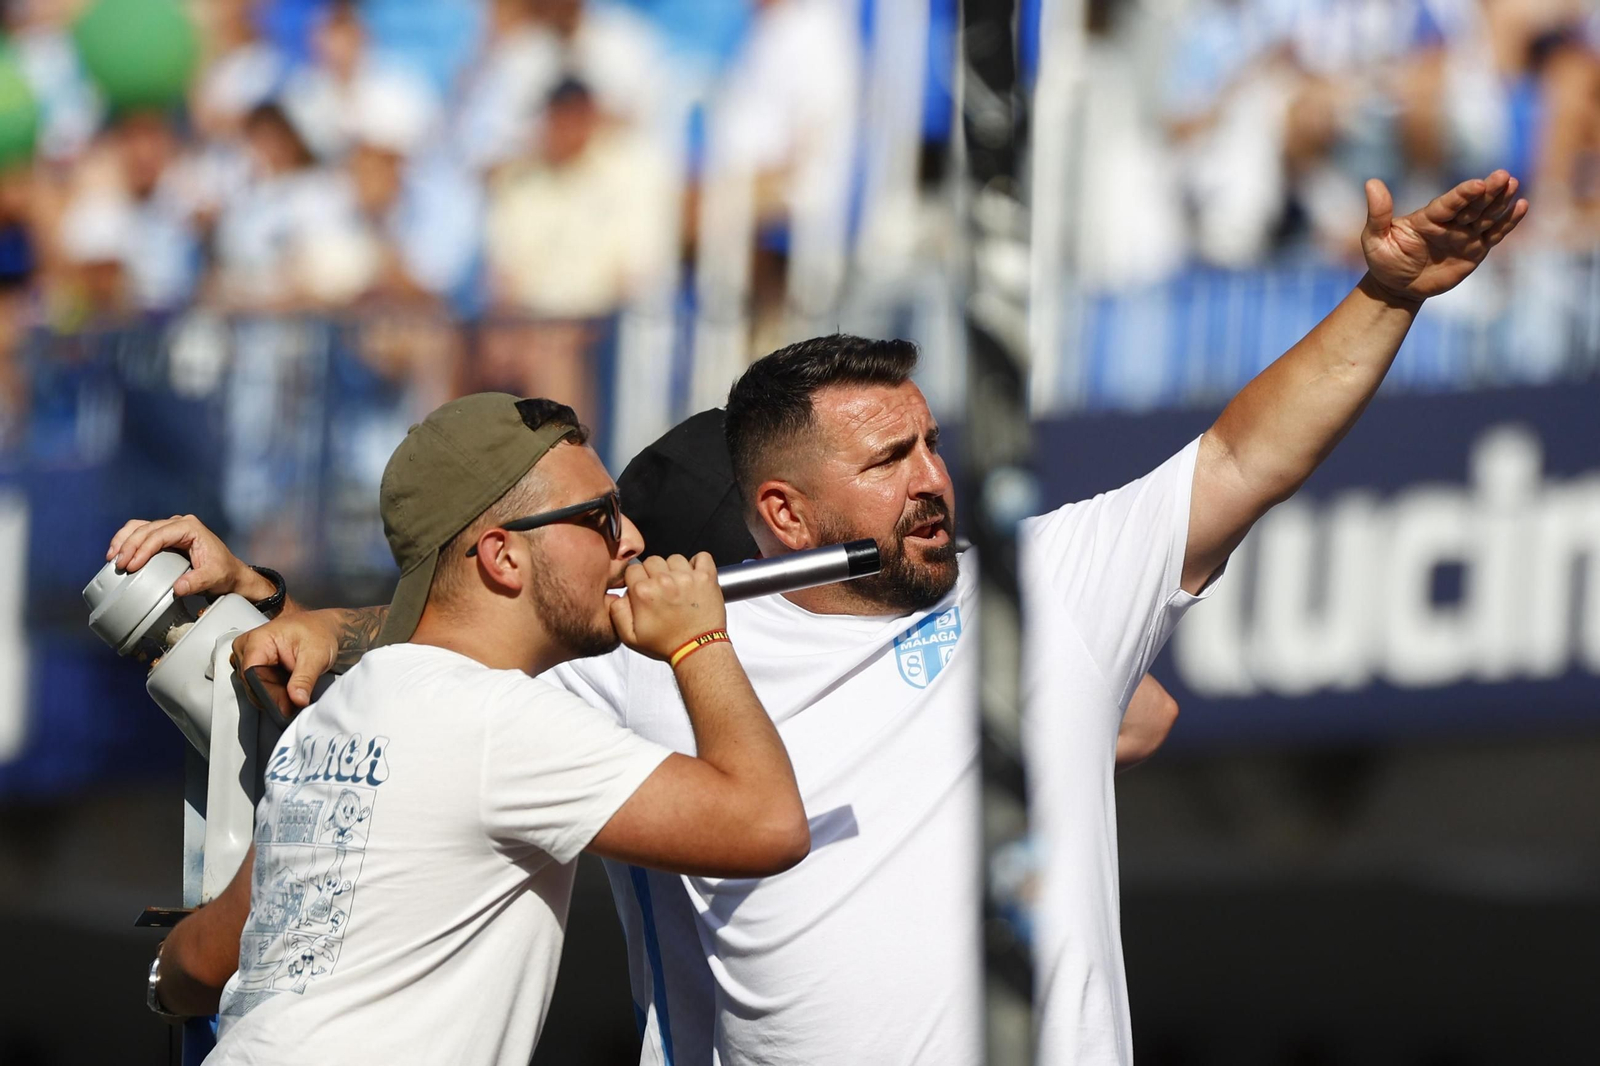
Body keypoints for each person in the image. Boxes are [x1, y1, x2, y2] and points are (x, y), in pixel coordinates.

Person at [213, 171, 1525, 1064]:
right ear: (784, 513)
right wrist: (305, 616)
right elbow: (471, 644)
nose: (932, 479)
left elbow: (1247, 457)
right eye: (889, 460)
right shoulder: (654, 648)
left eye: (930, 445)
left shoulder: (1041, 587)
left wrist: (1387, 295)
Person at [114, 393, 809, 1064]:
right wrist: (699, 640)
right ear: (503, 556)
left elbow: (207, 960)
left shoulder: (336, 714)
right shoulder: (503, 724)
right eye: (601, 517)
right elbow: (766, 824)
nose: (631, 540)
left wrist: (157, 981)